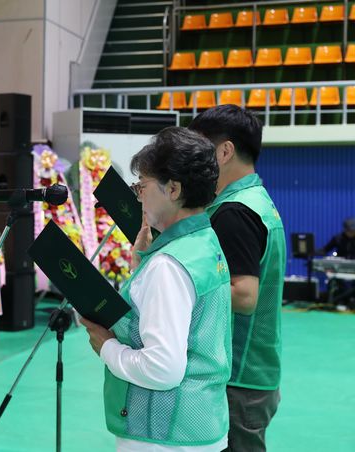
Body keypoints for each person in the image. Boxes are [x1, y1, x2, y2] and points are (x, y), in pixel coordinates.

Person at [81, 127, 232, 451]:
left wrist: (107, 347)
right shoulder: (204, 241)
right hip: (201, 424)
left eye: (143, 186)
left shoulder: (168, 265)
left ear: (173, 189)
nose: (138, 196)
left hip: (163, 434)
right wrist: (144, 262)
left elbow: (162, 368)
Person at [189, 104, 286, 452]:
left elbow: (244, 295)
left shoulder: (236, 212)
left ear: (225, 151)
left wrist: (181, 284)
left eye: (199, 149)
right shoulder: (252, 200)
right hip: (250, 373)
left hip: (239, 378)